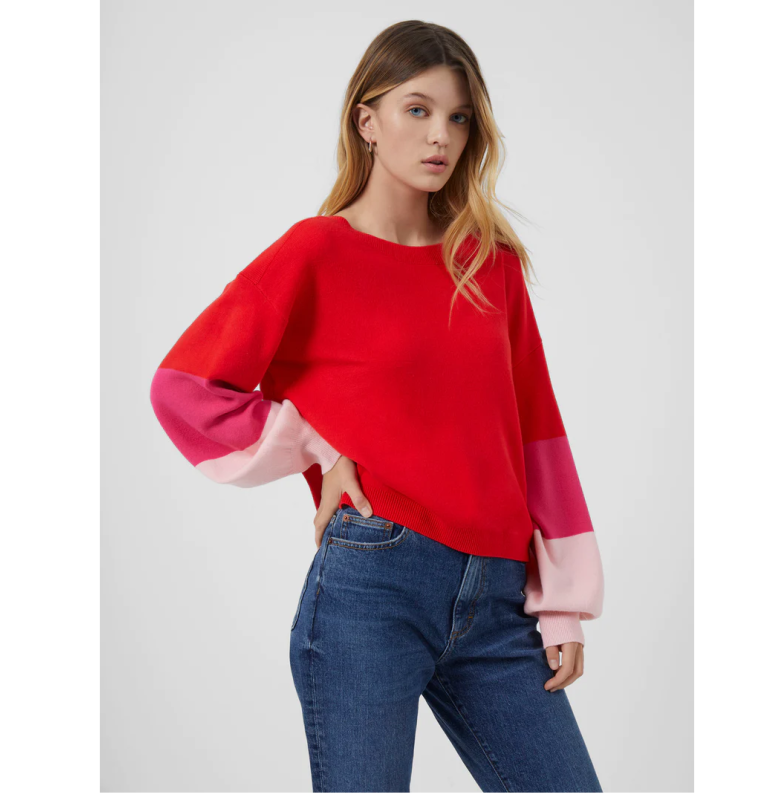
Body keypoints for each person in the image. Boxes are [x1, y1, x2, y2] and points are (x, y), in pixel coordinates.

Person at [150, 19, 605, 793]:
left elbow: (537, 433)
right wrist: (317, 448)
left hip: (498, 600)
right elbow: (183, 388)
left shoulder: (489, 265)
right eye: (417, 110)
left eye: (458, 117)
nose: (441, 136)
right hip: (373, 585)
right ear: (368, 121)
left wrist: (561, 604)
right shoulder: (315, 253)